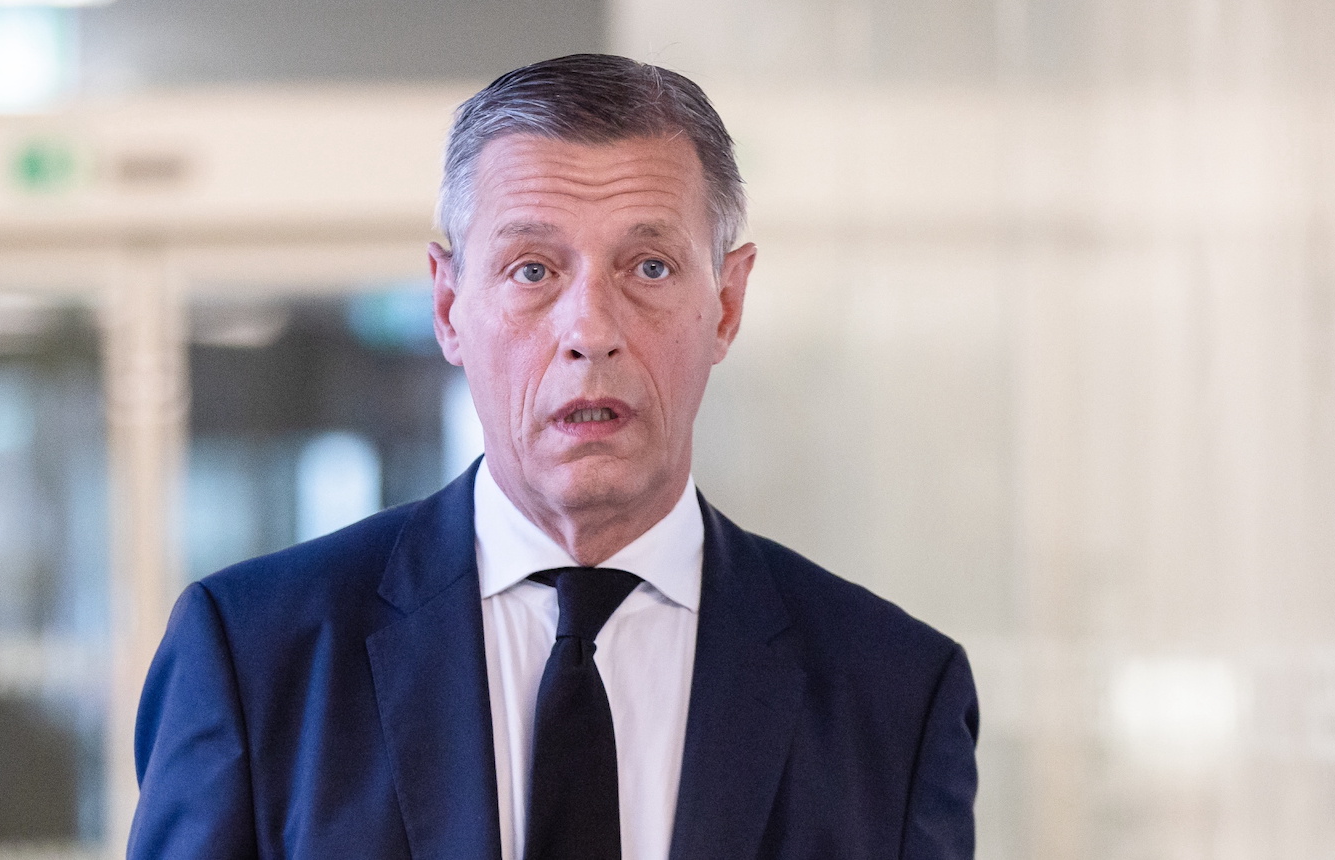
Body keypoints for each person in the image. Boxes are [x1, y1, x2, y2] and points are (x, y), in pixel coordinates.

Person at [129, 53, 978, 860]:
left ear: (726, 304)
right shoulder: (255, 657)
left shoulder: (895, 694)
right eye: (533, 270)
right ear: (449, 305)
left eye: (650, 267)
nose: (591, 332)